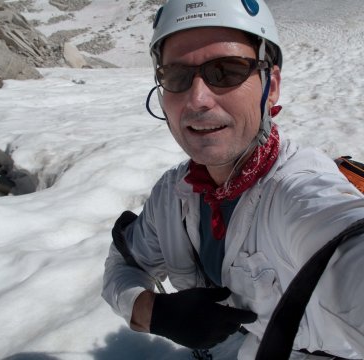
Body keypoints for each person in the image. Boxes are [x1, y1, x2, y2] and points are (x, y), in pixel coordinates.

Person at [102, 0, 364, 358]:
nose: (197, 99)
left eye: (226, 71)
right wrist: (153, 313)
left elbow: (343, 239)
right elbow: (122, 265)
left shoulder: (297, 190)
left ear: (270, 86)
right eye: (176, 76)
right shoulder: (172, 194)